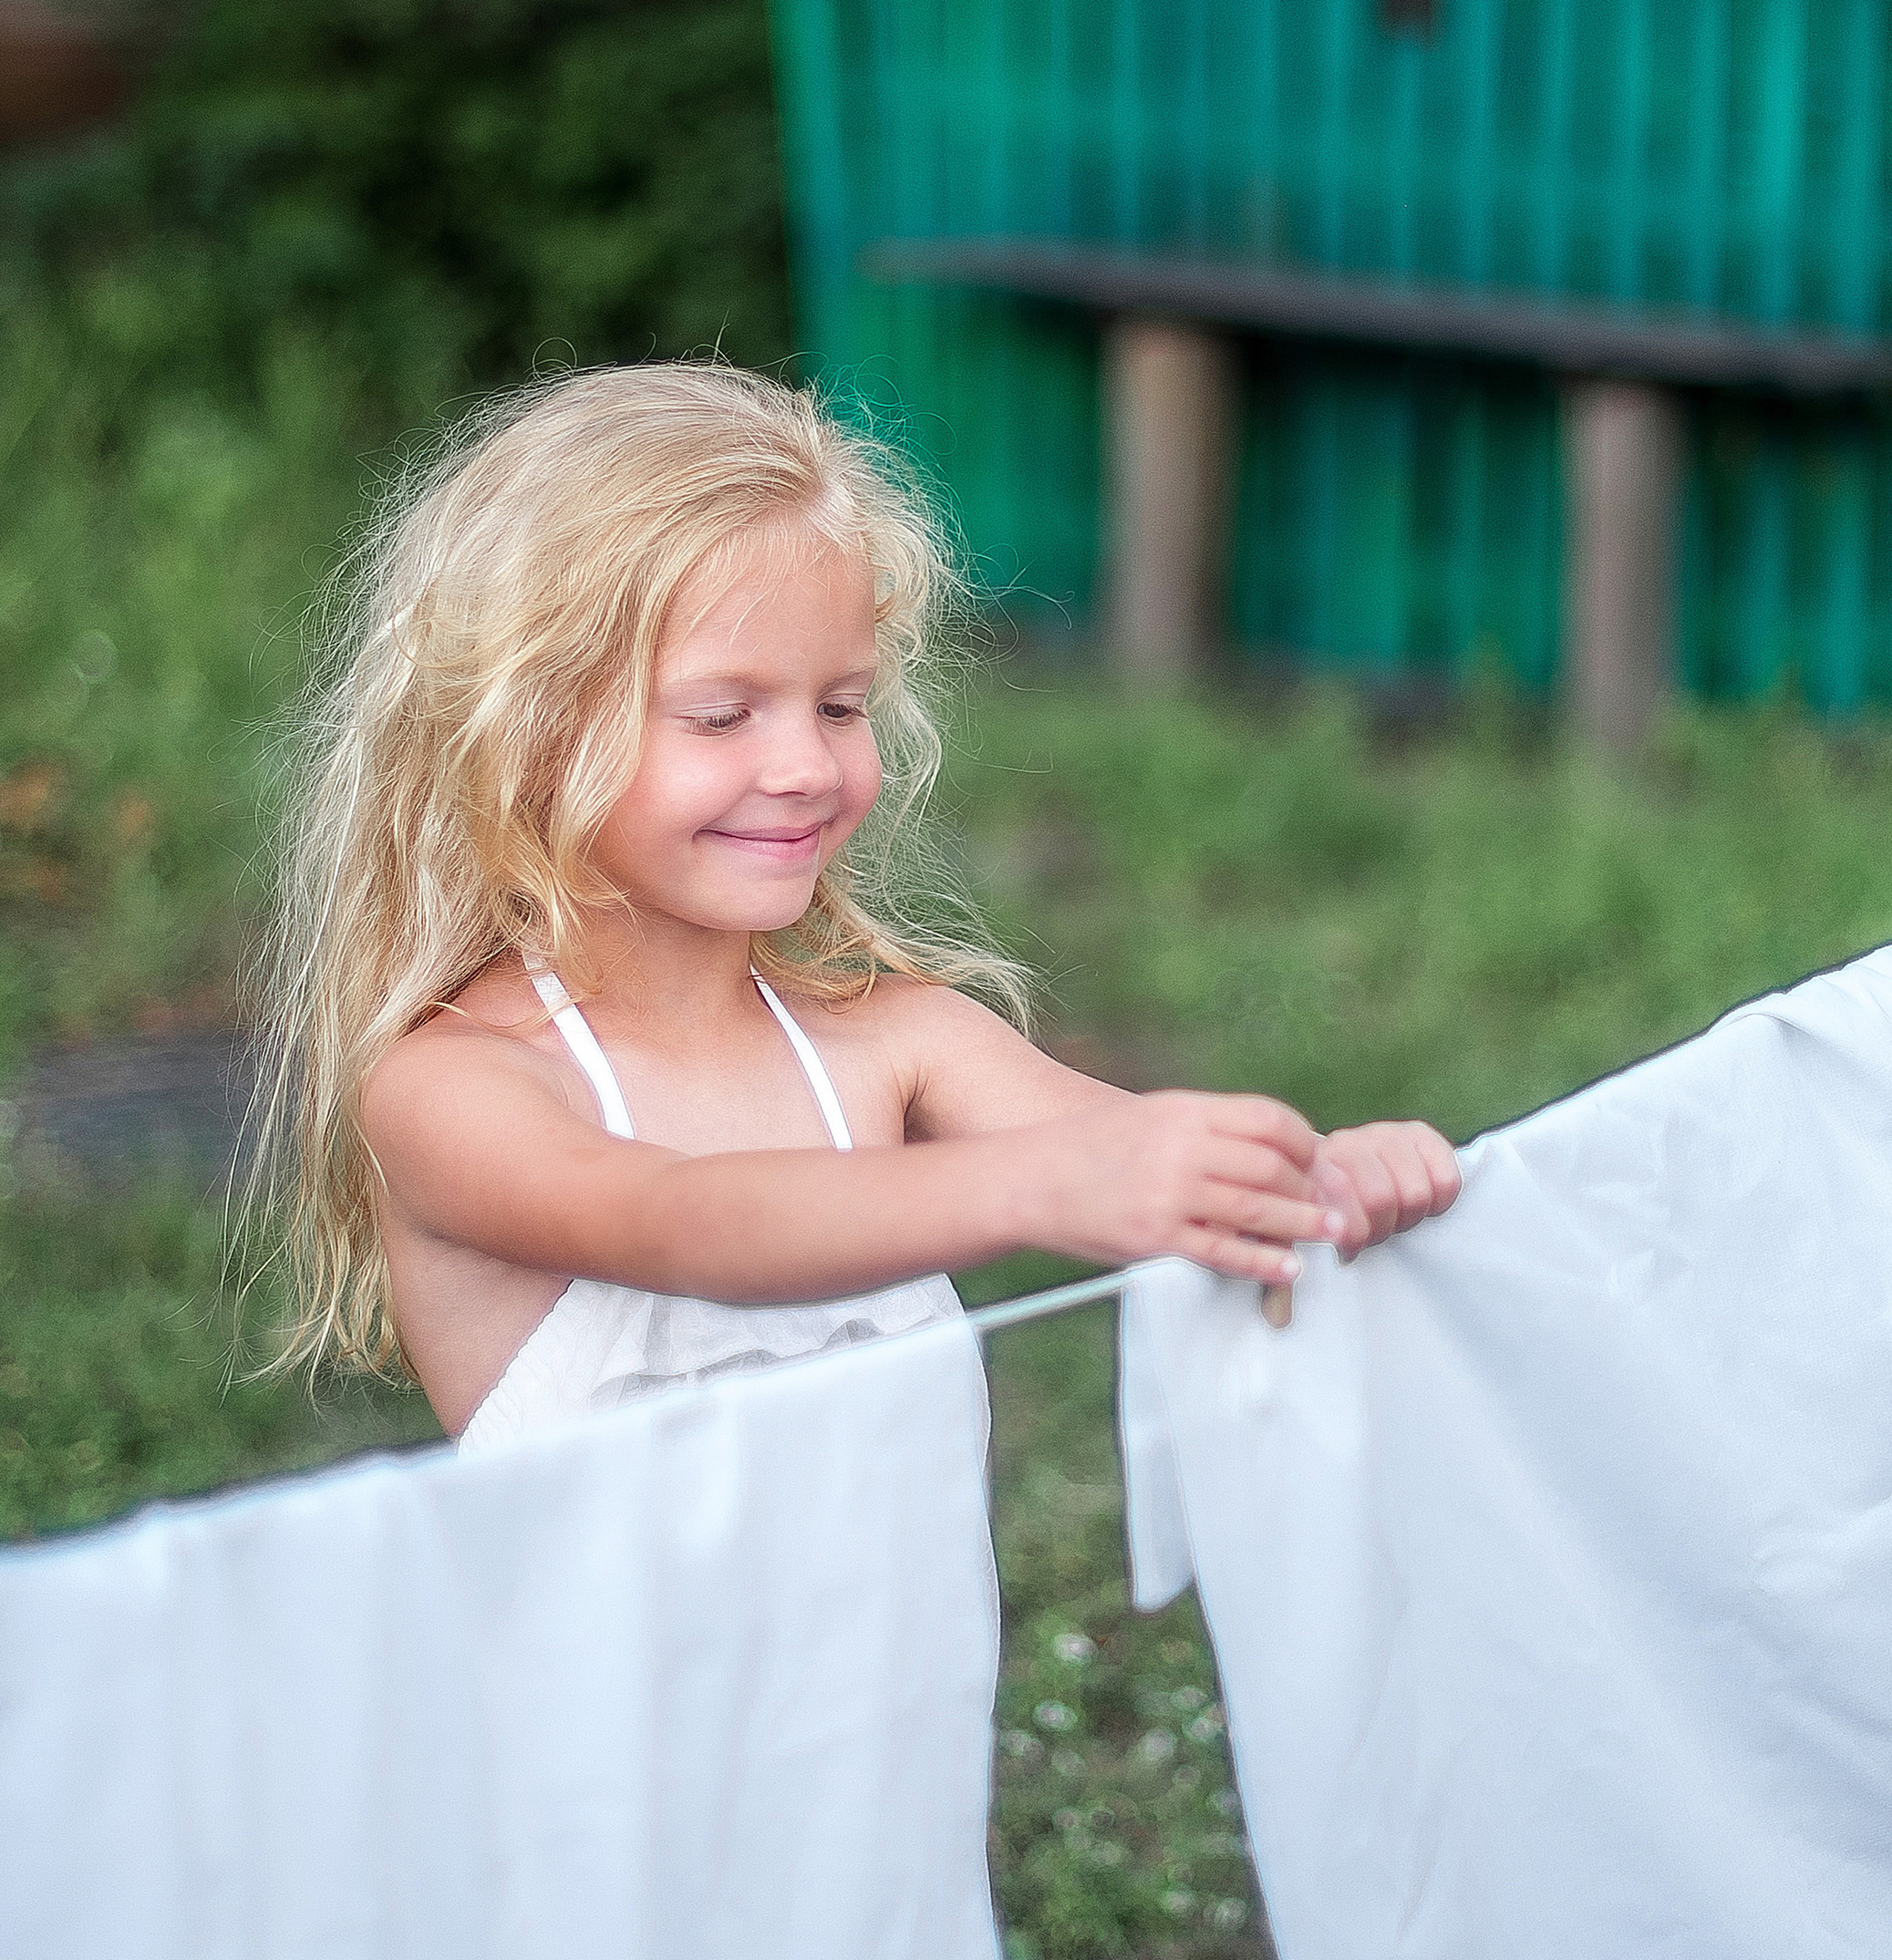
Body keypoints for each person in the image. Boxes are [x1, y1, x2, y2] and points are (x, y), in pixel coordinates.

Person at [258, 362, 1459, 1448]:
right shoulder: (460, 1085)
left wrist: (1327, 1179)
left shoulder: (903, 1044)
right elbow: (681, 1224)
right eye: (724, 714)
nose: (804, 765)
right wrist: (1039, 1189)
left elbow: (1144, 1161)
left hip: (905, 1696)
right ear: (528, 738)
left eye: (839, 705)